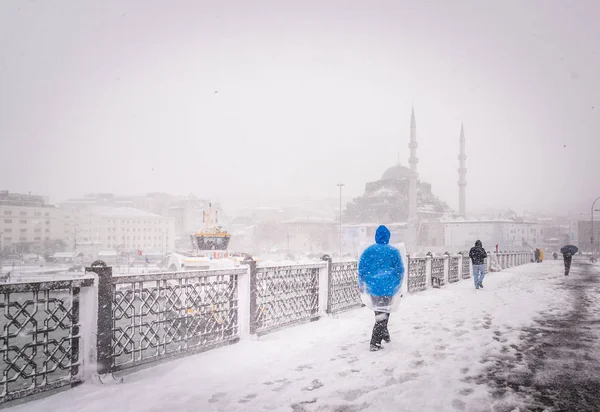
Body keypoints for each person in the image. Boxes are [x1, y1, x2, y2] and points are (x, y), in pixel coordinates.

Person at [358, 225, 404, 352]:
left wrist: (362, 284)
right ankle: (374, 342)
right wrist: (399, 285)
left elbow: (361, 269)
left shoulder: (368, 251)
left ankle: (384, 334)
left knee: (379, 313)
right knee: (383, 315)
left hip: (373, 289)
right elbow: (400, 270)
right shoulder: (393, 252)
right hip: (389, 288)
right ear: (388, 237)